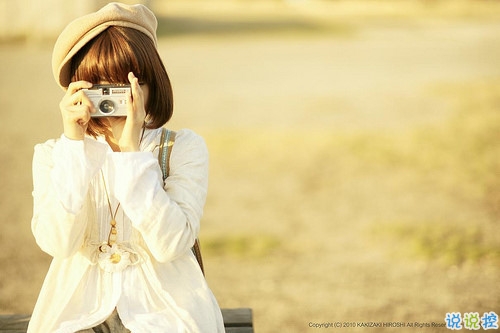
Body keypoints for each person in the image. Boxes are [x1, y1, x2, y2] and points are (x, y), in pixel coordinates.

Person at [28, 3, 225, 332]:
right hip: (78, 309)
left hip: (166, 309)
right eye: (102, 88)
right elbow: (58, 243)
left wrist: (132, 154)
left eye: (126, 88)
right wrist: (74, 145)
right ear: (78, 89)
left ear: (153, 84)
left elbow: (171, 244)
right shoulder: (55, 155)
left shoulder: (181, 148)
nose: (114, 101)